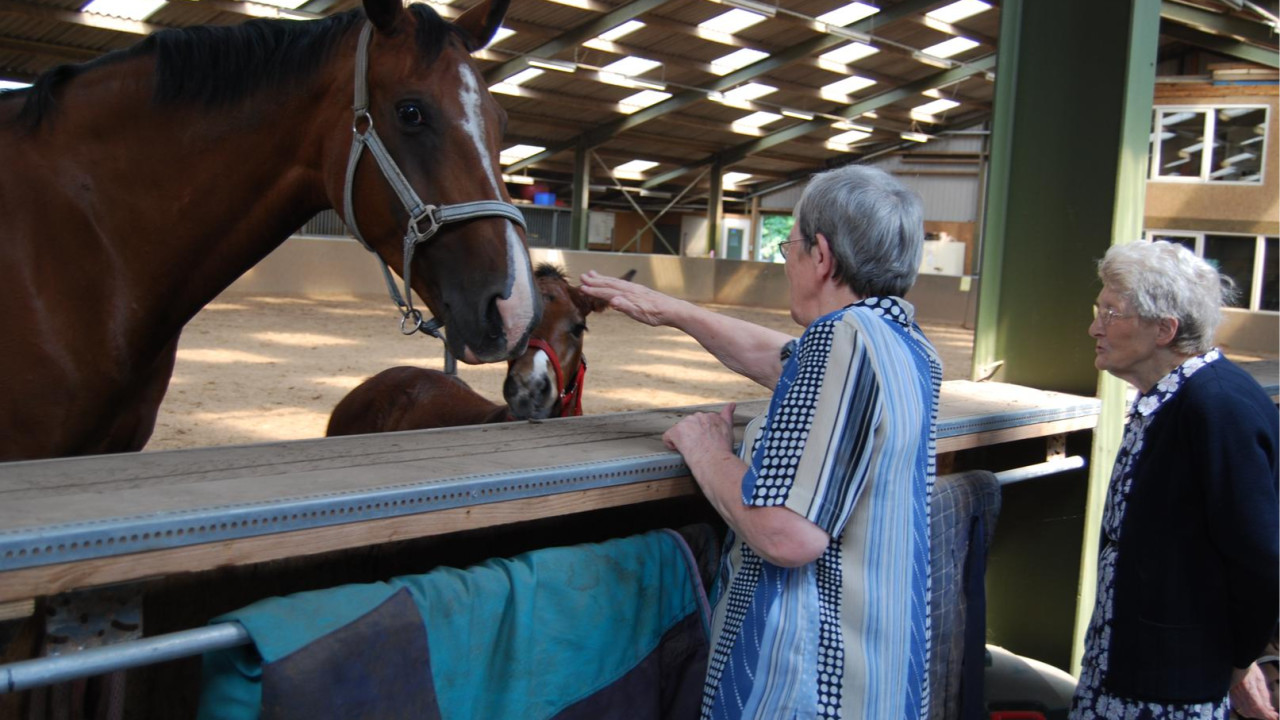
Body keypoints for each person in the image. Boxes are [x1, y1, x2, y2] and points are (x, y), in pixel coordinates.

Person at [580, 164, 940, 720]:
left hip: (807, 685)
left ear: (820, 256)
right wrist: (674, 311)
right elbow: (785, 362)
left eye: (789, 245)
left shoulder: (840, 342)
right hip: (878, 677)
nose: (786, 260)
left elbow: (786, 532)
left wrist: (706, 451)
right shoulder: (905, 346)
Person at [1070, 240, 1280, 720]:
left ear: (1164, 329)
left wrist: (1235, 662)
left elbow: (1259, 560)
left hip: (1169, 694)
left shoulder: (1217, 407)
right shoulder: (1171, 399)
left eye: (1110, 313)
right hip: (1132, 679)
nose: (1093, 328)